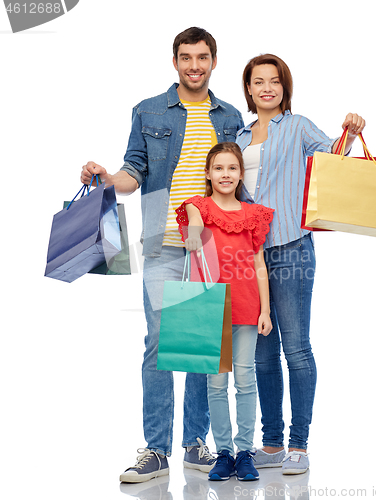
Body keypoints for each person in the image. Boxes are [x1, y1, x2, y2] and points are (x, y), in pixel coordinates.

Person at [80, 27, 244, 483]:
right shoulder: (148, 110)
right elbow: (134, 170)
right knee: (158, 344)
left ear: (214, 62)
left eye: (203, 57)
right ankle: (156, 450)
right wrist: (106, 178)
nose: (195, 65)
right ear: (175, 62)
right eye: (186, 57)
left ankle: (195, 444)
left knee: (199, 347)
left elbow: (241, 174)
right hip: (163, 242)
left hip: (211, 245)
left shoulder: (230, 116)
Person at [236, 54, 366, 475]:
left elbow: (332, 152)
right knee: (263, 351)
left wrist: (350, 129)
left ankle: (299, 444)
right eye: (259, 82)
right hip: (249, 254)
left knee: (296, 347)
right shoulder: (237, 136)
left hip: (290, 245)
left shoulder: (297, 126)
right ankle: (271, 444)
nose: (267, 88)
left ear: (283, 87)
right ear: (249, 89)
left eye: (274, 81)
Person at [176, 142, 274, 481]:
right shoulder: (199, 207)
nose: (226, 174)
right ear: (208, 173)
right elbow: (191, 214)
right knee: (216, 384)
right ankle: (224, 453)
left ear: (241, 174)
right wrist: (193, 225)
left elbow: (259, 264)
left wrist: (266, 310)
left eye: (232, 168)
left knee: (245, 379)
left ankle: (245, 451)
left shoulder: (253, 214)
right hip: (209, 308)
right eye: (218, 168)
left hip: (247, 306)